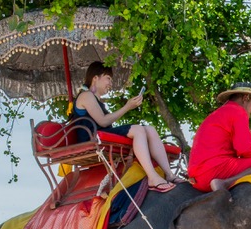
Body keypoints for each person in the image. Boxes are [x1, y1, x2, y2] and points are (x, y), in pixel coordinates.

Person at [70, 62, 180, 192]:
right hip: (92, 138)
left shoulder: (97, 100)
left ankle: (170, 174)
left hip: (102, 134)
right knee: (138, 130)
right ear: (95, 78)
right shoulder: (86, 95)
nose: (110, 83)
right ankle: (152, 178)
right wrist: (127, 107)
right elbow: (103, 121)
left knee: (150, 129)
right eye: (108, 78)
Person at [188, 83, 251, 191]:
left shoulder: (218, 113)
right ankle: (224, 183)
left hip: (197, 177)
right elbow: (244, 148)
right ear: (246, 97)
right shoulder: (238, 111)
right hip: (214, 171)